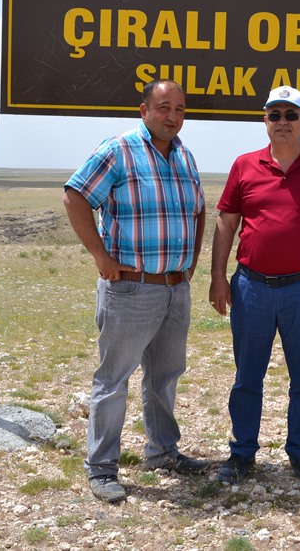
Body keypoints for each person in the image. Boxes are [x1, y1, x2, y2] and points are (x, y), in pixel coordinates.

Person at [63, 79, 207, 504]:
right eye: (164, 108)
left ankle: (162, 451)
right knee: (114, 379)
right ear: (144, 109)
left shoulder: (183, 155)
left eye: (179, 109)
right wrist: (100, 256)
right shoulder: (119, 149)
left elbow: (199, 211)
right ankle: (102, 466)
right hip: (130, 288)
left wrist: (191, 264)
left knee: (164, 377)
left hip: (174, 290)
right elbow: (75, 195)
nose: (172, 117)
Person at [209, 85, 300, 487]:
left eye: (291, 114)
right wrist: (218, 276)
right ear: (265, 121)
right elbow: (226, 222)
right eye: (275, 115)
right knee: (247, 375)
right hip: (251, 287)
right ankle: (241, 454)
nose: (283, 122)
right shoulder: (244, 165)